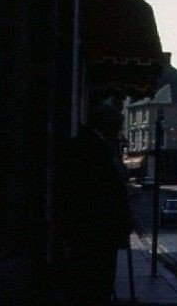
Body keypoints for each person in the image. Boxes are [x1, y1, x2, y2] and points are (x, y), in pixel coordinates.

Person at [57, 102, 133, 306]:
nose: (118, 132)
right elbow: (102, 193)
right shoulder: (94, 149)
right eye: (117, 126)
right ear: (106, 125)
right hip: (95, 233)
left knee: (90, 283)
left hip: (91, 232)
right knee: (95, 285)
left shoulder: (91, 145)